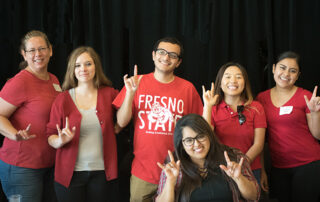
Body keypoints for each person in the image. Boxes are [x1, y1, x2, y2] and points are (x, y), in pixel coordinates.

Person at [112, 37, 203, 202]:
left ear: (178, 62)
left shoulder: (188, 89)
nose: (166, 57)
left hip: (179, 171)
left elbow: (200, 129)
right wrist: (130, 94)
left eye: (172, 55)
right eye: (162, 52)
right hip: (143, 172)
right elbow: (121, 122)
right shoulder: (136, 82)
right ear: (153, 55)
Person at [46, 46, 119, 202]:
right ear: (72, 69)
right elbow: (50, 135)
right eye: (78, 65)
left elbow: (127, 116)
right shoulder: (62, 99)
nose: (83, 69)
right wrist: (59, 141)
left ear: (96, 67)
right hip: (70, 175)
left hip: (101, 174)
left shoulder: (110, 94)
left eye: (88, 64)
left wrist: (118, 126)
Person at [0, 30, 61, 202]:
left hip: (48, 164)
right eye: (32, 50)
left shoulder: (54, 80)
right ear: (23, 54)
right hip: (21, 167)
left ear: (50, 50)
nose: (38, 54)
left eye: (42, 48)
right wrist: (14, 134)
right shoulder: (19, 82)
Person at [256, 51, 320, 202]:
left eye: (293, 71)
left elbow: (317, 135)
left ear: (298, 75)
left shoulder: (306, 96)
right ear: (273, 68)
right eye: (282, 68)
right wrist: (263, 171)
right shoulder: (261, 98)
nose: (286, 74)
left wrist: (315, 112)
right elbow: (259, 138)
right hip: (278, 167)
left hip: (308, 164)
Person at [156, 113, 259, 202]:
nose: (196, 144)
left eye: (200, 136)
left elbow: (254, 196)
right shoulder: (173, 164)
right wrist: (170, 181)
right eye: (189, 140)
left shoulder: (233, 156)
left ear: (209, 135)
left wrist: (239, 178)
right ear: (181, 144)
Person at [202, 62, 267, 188]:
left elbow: (259, 144)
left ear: (245, 82)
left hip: (251, 169)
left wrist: (241, 165)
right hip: (221, 169)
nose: (233, 80)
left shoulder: (256, 108)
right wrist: (208, 106)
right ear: (220, 82)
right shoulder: (212, 108)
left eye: (238, 77)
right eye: (227, 76)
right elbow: (205, 137)